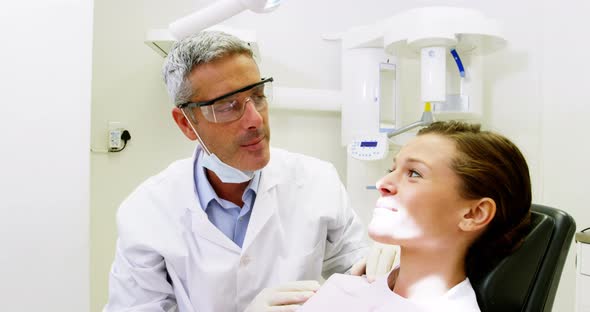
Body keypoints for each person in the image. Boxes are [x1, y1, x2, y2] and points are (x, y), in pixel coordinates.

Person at [104, 31, 396, 312]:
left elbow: (358, 273)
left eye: (257, 95)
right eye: (228, 106)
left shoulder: (318, 182)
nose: (255, 119)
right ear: (185, 123)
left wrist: (387, 270)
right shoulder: (147, 212)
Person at [299, 121, 532, 312]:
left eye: (414, 173)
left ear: (474, 213)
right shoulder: (343, 288)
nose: (383, 184)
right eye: (392, 170)